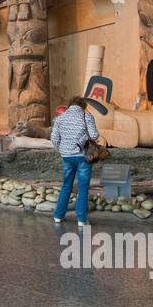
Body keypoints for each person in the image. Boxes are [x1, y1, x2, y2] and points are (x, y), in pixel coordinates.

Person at [50, 96, 102, 226]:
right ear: (83, 106)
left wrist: (63, 150)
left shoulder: (59, 119)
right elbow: (95, 135)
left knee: (66, 185)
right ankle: (82, 220)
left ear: (70, 105)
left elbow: (54, 139)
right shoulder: (86, 116)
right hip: (83, 157)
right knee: (83, 188)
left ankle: (58, 216)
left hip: (67, 157)